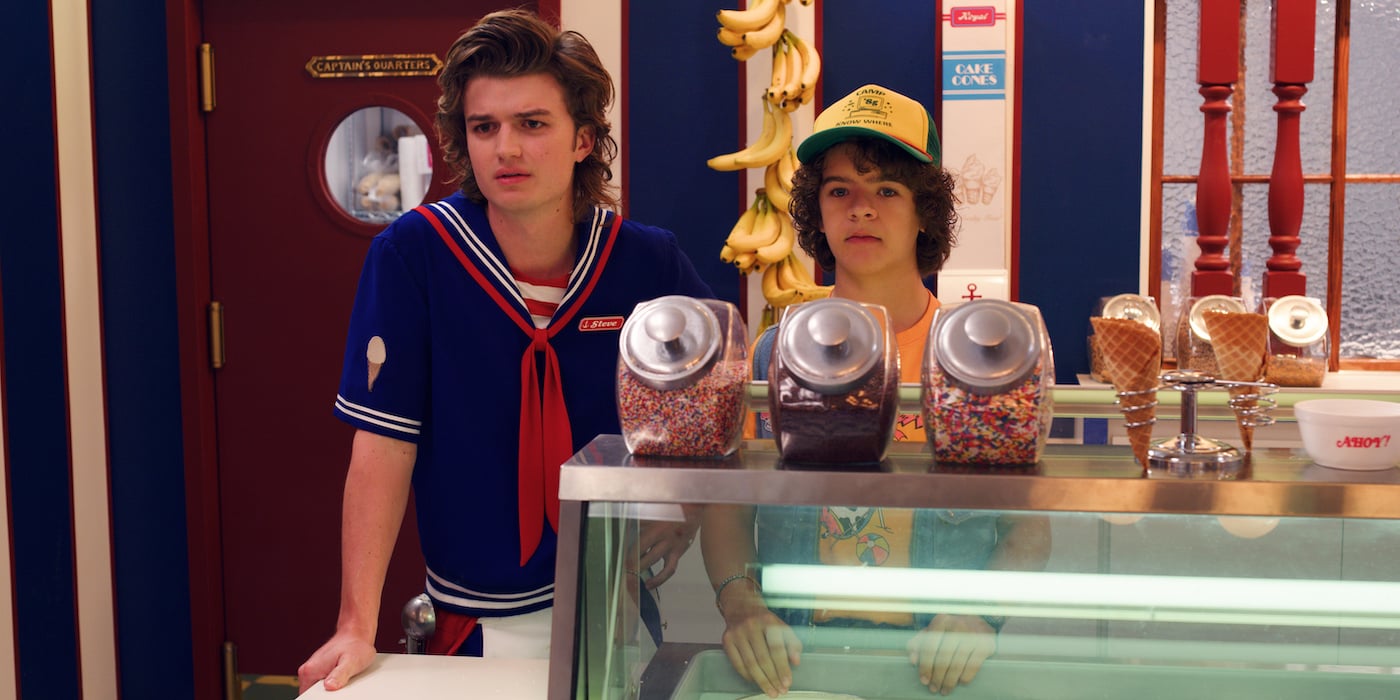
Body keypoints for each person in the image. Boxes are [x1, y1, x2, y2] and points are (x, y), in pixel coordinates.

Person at [298, 9, 711, 693]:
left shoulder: (646, 261)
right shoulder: (413, 256)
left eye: (532, 124)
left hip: (617, 609)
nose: (505, 148)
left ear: (582, 140)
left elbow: (718, 406)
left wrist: (689, 510)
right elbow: (382, 448)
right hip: (474, 617)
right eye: (483, 127)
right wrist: (354, 624)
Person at [701, 84, 1050, 697]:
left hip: (934, 671)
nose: (861, 209)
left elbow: (1028, 526)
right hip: (799, 669)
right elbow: (728, 506)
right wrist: (742, 607)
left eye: (887, 190)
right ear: (816, 213)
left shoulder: (980, 361)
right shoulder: (771, 354)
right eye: (840, 191)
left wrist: (978, 614)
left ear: (924, 214)